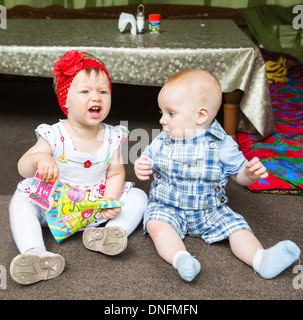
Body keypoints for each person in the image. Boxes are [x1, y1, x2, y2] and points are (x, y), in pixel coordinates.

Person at [134, 69, 300, 282]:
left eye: (171, 113)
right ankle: (181, 258)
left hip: (210, 210)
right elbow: (146, 159)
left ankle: (260, 259)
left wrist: (248, 174)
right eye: (162, 113)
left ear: (200, 115)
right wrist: (142, 166)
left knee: (237, 228)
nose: (163, 121)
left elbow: (238, 176)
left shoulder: (222, 144)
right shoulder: (162, 140)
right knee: (157, 226)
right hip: (168, 206)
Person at [9, 50, 148, 285]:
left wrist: (110, 200)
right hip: (53, 204)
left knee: (139, 196)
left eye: (103, 92)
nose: (96, 98)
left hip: (93, 207)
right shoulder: (54, 133)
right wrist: (40, 160)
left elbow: (115, 173)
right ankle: (35, 253)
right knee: (21, 201)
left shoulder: (112, 136)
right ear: (65, 100)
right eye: (85, 92)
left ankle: (110, 233)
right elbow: (23, 167)